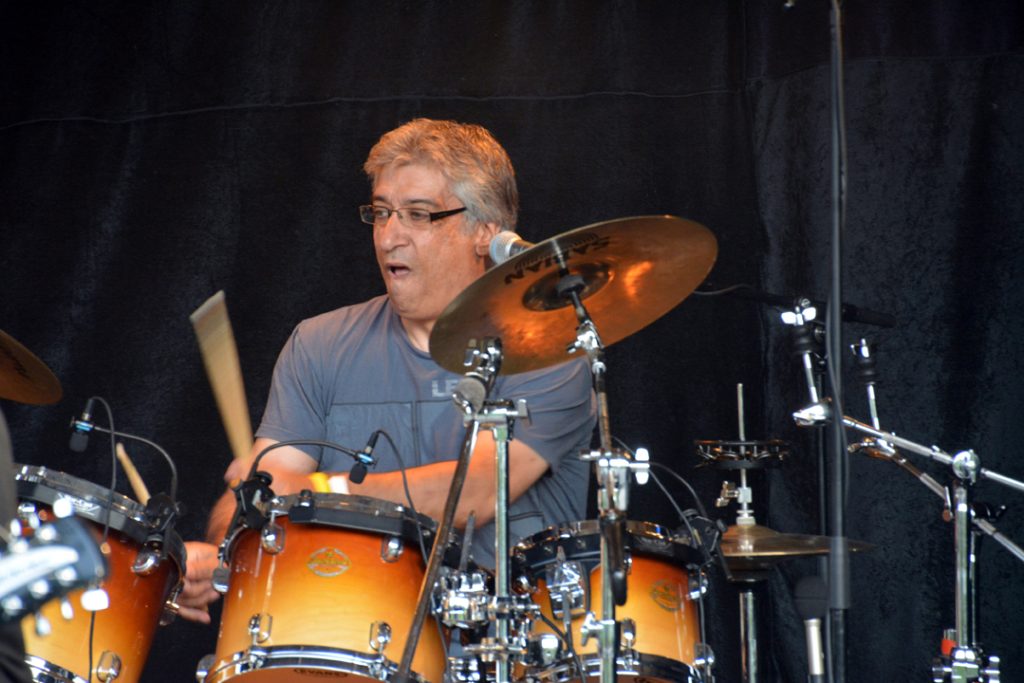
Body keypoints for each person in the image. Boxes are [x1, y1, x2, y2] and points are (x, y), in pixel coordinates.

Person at [179, 118, 596, 623]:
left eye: (418, 215)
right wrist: (223, 551)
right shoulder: (318, 344)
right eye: (381, 213)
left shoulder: (548, 347)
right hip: (343, 633)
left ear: (485, 233)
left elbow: (477, 489)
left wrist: (321, 490)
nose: (388, 238)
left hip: (506, 644)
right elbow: (265, 482)